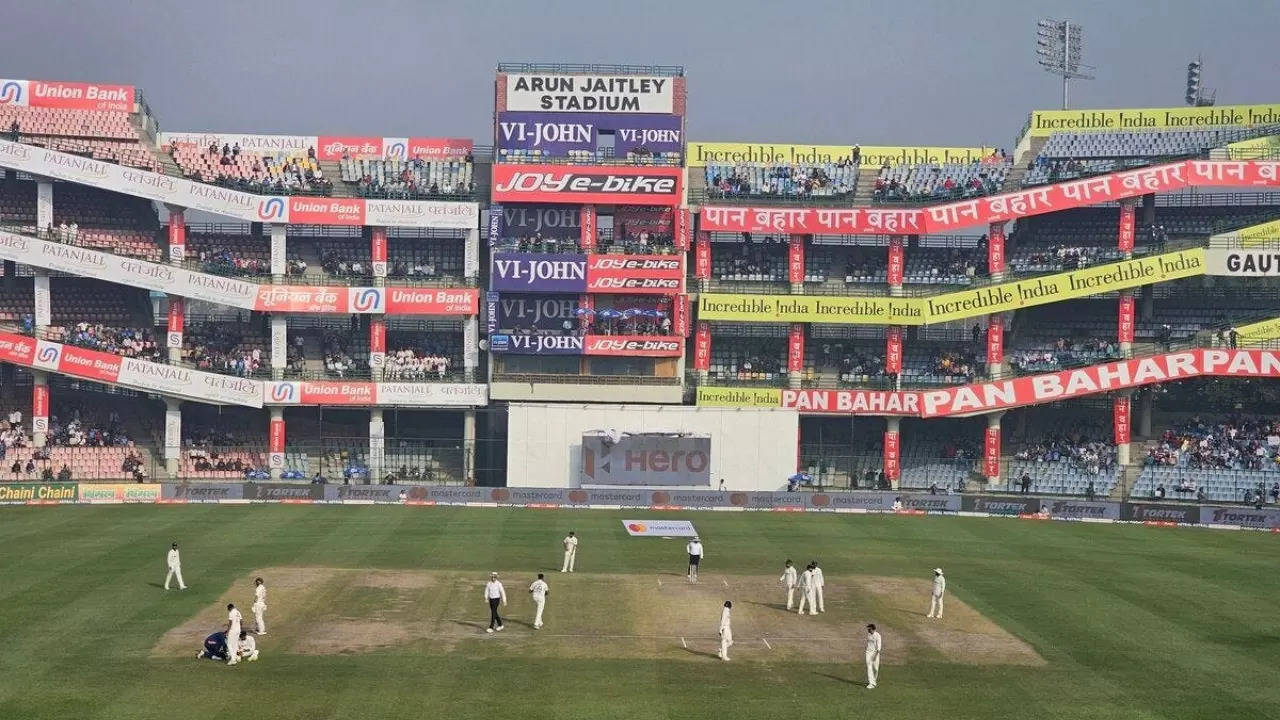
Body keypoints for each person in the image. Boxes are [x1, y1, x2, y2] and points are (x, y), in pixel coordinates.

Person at [865, 624, 882, 689]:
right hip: (868, 653)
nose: (868, 630)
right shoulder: (868, 634)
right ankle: (871, 683)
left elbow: (879, 647)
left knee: (876, 669)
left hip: (875, 653)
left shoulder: (878, 636)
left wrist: (875, 656)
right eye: (868, 629)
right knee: (869, 667)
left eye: (869, 629)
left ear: (873, 629)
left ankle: (874, 681)